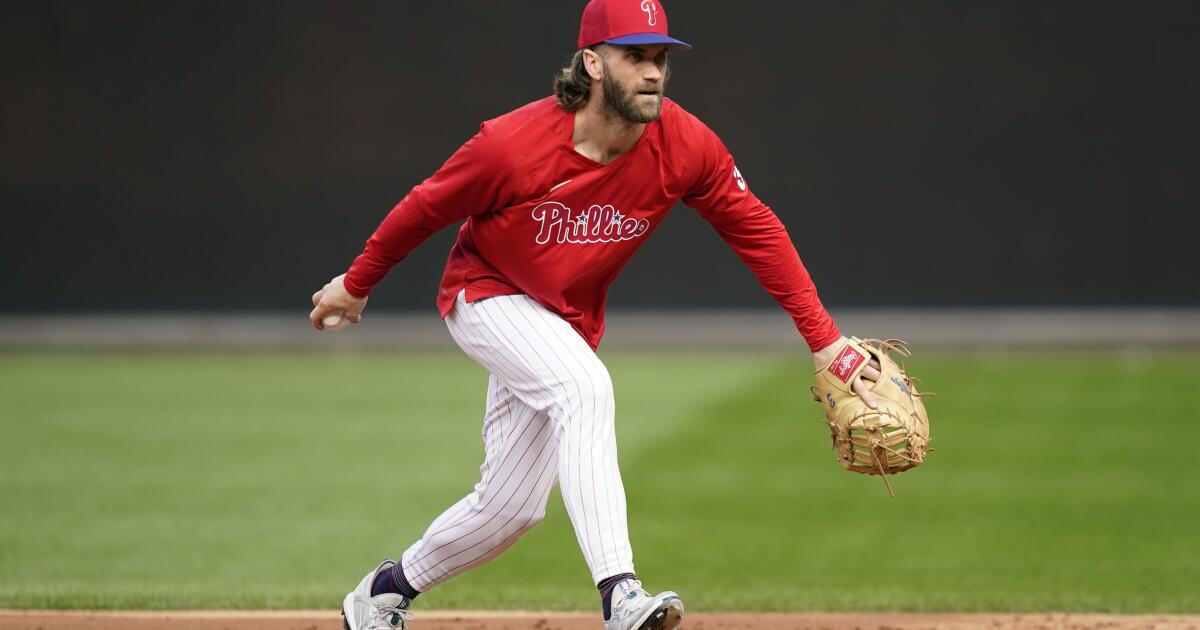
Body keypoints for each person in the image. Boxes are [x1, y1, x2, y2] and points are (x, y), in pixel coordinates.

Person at [310, 1, 881, 628]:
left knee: (511, 510)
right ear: (591, 63)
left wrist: (825, 341)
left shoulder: (686, 146)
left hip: (561, 321)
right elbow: (425, 207)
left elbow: (757, 230)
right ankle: (621, 593)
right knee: (584, 387)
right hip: (486, 294)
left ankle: (384, 591)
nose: (653, 72)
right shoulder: (510, 146)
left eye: (660, 57)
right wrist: (357, 284)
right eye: (634, 56)